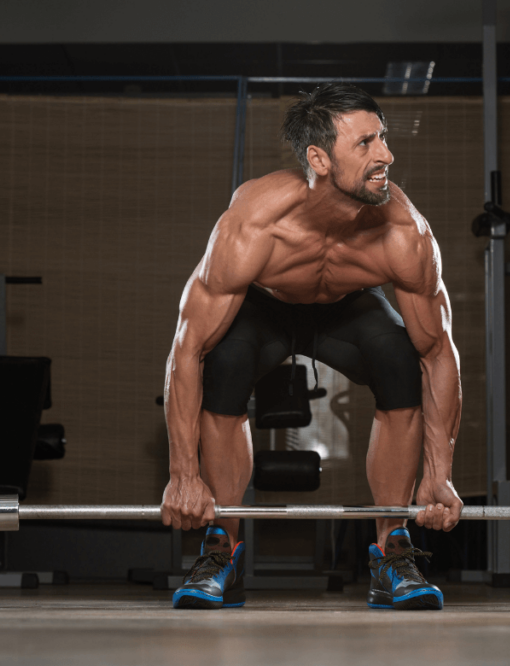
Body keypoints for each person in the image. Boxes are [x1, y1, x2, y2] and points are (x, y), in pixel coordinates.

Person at [160, 83, 463, 610]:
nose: (386, 155)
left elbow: (438, 352)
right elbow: (187, 348)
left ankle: (392, 549)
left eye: (383, 138)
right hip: (265, 308)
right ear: (318, 159)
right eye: (365, 143)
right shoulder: (255, 223)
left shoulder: (403, 232)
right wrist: (183, 476)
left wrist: (439, 474)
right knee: (225, 363)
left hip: (348, 307)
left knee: (399, 359)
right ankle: (221, 548)